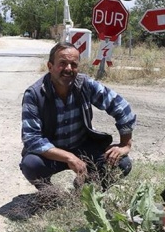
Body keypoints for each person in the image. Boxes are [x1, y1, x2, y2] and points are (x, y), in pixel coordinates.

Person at [20, 42, 136, 190]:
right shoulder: (35, 94)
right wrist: (69, 157)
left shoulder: (84, 84)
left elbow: (121, 107)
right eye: (62, 63)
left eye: (73, 64)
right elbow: (32, 139)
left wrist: (125, 145)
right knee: (31, 165)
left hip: (82, 146)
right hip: (52, 153)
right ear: (50, 66)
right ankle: (51, 195)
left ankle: (87, 187)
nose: (68, 69)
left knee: (122, 164)